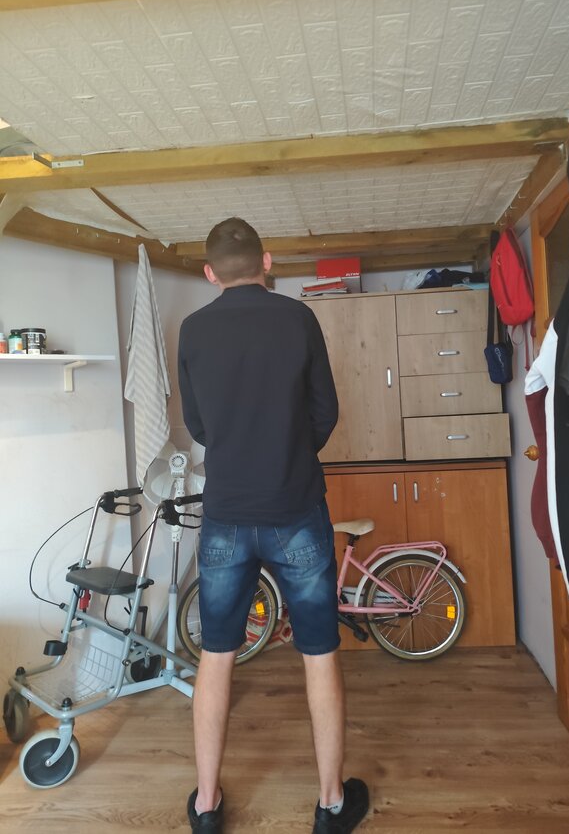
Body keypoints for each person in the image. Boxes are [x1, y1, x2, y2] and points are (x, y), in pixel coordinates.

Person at [178, 217, 369, 834]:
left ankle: (207, 805)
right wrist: (288, 451)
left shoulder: (193, 330)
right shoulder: (298, 318)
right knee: (319, 652)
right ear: (266, 261)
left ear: (210, 273)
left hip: (226, 516)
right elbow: (325, 411)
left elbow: (199, 426)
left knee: (216, 655)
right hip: (295, 510)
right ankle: (331, 804)